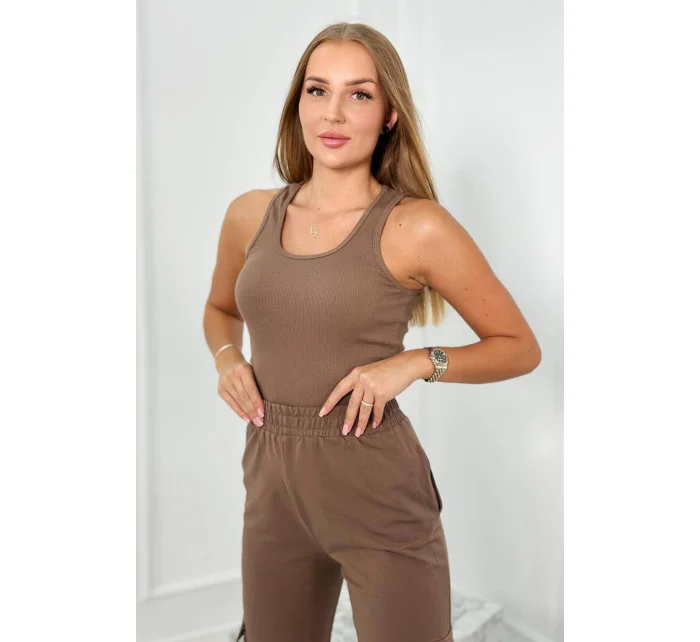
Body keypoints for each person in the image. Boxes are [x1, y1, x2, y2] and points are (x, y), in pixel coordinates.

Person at [202, 21, 541, 642]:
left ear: (389, 115)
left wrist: (413, 363)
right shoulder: (250, 214)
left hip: (376, 486)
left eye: (359, 94)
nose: (333, 113)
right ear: (297, 103)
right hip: (271, 485)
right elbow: (220, 308)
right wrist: (228, 357)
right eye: (317, 90)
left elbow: (520, 347)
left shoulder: (417, 227)